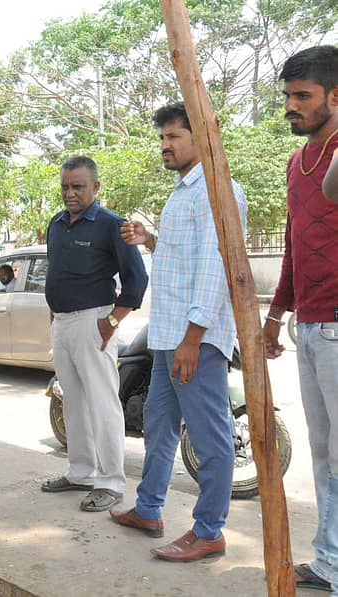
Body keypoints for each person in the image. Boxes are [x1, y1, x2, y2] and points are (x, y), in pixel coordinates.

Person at [113, 102, 247, 562]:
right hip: (169, 335)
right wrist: (149, 240)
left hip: (196, 338)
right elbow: (183, 256)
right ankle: (149, 508)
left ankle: (209, 530)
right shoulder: (183, 192)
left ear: (200, 137)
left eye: (174, 136)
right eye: (163, 137)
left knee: (210, 438)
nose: (166, 145)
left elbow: (213, 270)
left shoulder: (217, 191)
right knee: (158, 425)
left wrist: (193, 338)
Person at [262, 45, 338, 593]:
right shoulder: (297, 161)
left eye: (303, 97)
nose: (291, 106)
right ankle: (332, 560)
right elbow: (293, 244)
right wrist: (276, 313)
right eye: (288, 96)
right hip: (310, 325)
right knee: (322, 453)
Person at [41, 156, 148, 513]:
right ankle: (81, 471)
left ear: (96, 188)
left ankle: (111, 482)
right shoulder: (56, 224)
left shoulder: (110, 225)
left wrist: (112, 322)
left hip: (94, 322)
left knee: (103, 403)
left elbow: (137, 280)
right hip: (62, 323)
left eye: (78, 186)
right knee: (72, 400)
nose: (70, 193)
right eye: (65, 186)